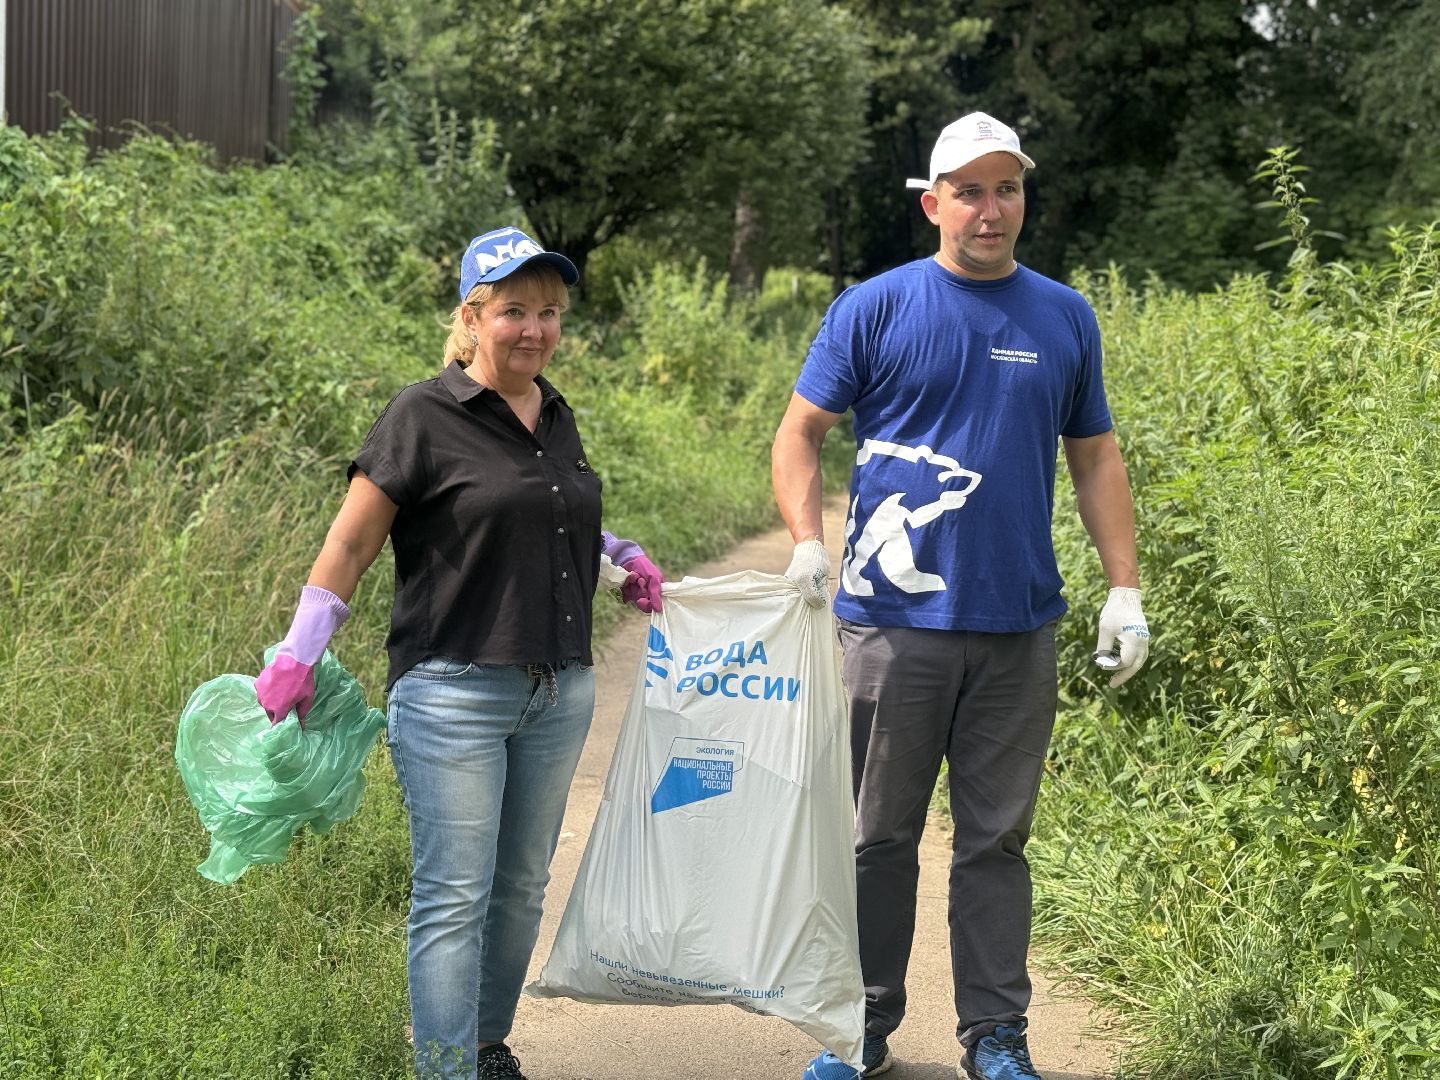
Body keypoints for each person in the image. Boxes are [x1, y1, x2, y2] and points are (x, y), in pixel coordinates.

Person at [772, 113, 1150, 1080]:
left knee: (995, 843)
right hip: (891, 631)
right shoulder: (876, 307)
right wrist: (806, 545)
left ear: (1024, 198)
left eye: (1007, 188)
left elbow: (1096, 454)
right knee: (874, 839)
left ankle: (996, 1035)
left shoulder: (1064, 315)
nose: (991, 210)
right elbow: (801, 431)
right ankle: (858, 1028)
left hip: (1018, 627)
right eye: (970, 191)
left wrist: (1125, 590)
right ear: (933, 203)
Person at [253, 226, 664, 1080]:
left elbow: (545, 517)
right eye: (514, 310)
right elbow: (351, 546)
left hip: (559, 692)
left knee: (519, 893)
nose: (535, 329)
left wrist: (619, 557)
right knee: (453, 899)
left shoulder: (554, 411)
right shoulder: (422, 416)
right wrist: (299, 648)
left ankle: (484, 1046)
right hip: (452, 693)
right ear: (472, 317)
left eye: (549, 312)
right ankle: (444, 1070)